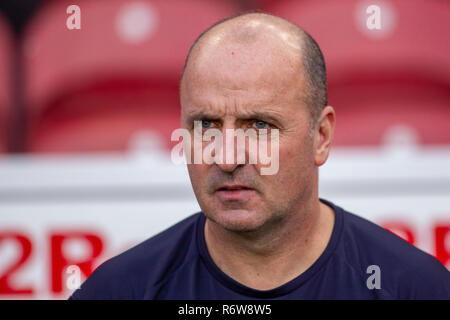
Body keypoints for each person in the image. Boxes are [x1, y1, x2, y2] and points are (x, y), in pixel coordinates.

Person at [69, 12, 450, 299]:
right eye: (206, 125)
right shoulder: (119, 291)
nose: (228, 157)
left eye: (260, 126)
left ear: (321, 136)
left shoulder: (414, 288)